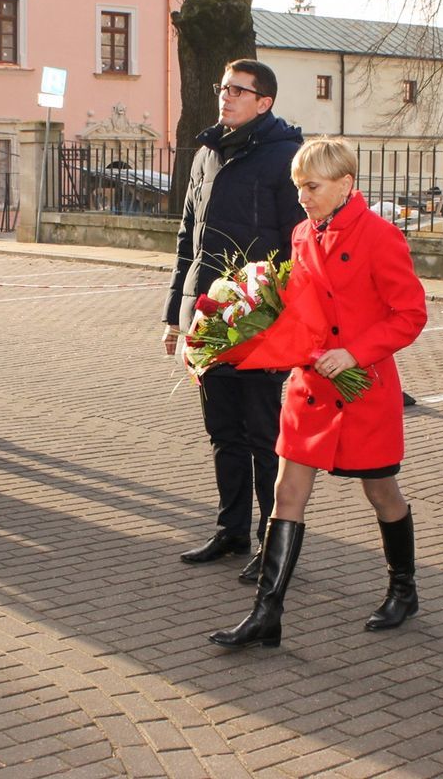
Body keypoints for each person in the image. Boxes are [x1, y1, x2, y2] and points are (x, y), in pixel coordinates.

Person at [209, 136, 428, 649]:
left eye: (312, 186)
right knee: (287, 494)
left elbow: (411, 314)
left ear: (346, 184)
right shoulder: (302, 233)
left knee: (381, 492)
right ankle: (266, 612)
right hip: (310, 386)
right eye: (298, 186)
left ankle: (404, 586)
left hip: (362, 388)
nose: (302, 195)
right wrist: (255, 329)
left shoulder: (381, 236)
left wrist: (354, 353)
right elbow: (304, 307)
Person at [162, 59, 304, 583]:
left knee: (263, 432)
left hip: (258, 315)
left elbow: (298, 246)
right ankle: (232, 530)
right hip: (208, 314)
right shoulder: (206, 153)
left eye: (238, 91)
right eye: (224, 88)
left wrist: (279, 313)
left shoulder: (285, 158)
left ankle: (274, 542)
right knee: (222, 430)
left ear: (264, 102)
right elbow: (188, 241)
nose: (225, 97)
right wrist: (175, 316)